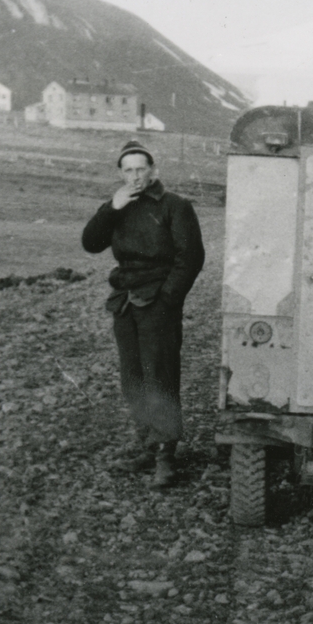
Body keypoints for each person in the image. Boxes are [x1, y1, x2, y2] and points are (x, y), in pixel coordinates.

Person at [82, 140, 205, 488]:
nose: (135, 176)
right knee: (133, 377)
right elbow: (90, 243)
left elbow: (190, 258)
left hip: (158, 302)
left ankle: (166, 456)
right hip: (125, 301)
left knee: (160, 374)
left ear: (154, 171)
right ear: (120, 173)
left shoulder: (175, 206)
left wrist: (167, 300)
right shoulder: (119, 206)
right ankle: (147, 447)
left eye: (141, 169)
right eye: (128, 170)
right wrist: (111, 207)